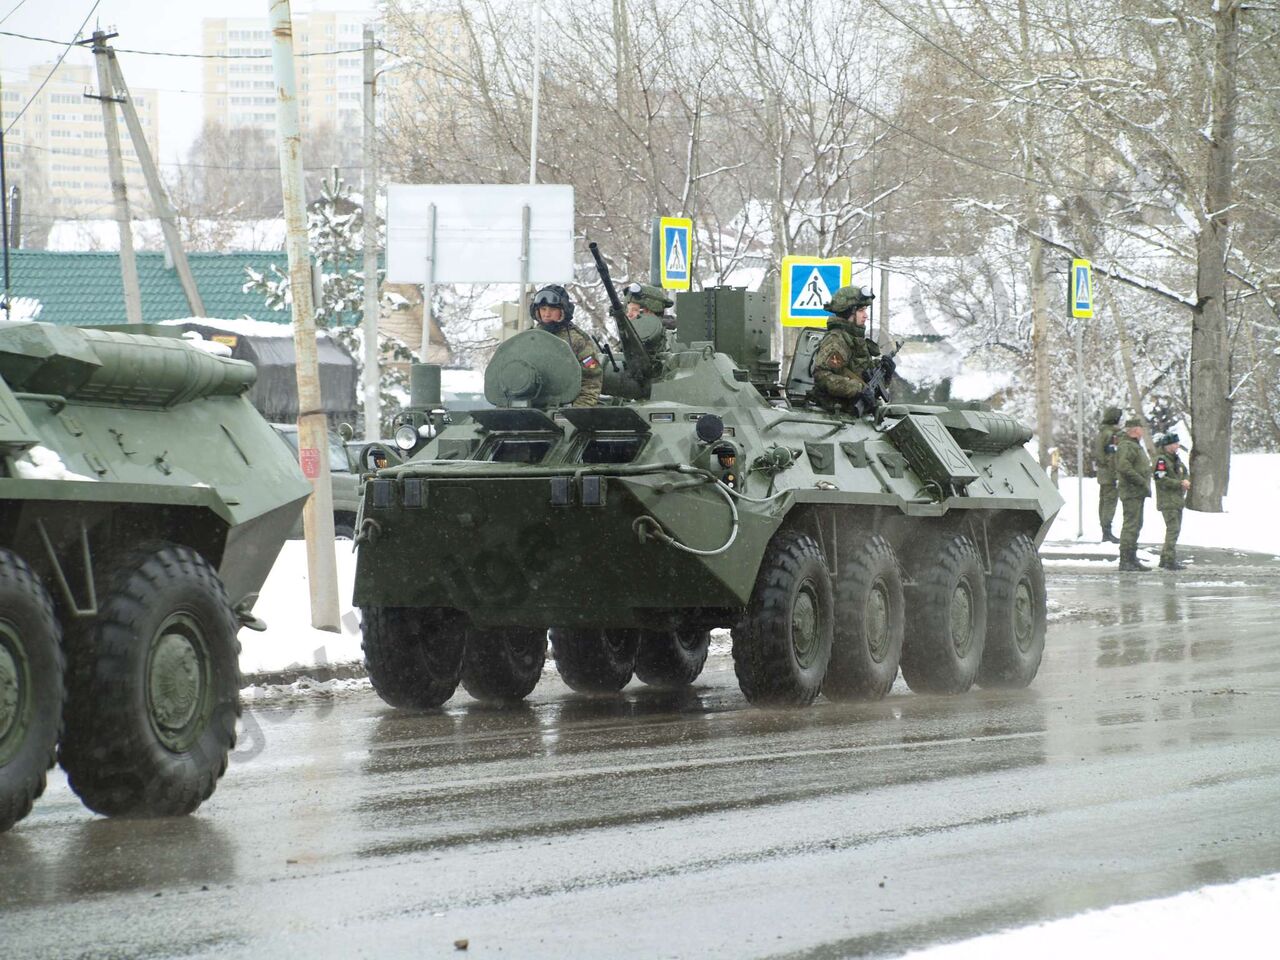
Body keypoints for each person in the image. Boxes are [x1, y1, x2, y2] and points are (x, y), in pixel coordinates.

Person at [811, 285, 893, 414]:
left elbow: (863, 375)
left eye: (865, 310)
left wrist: (885, 371)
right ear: (849, 312)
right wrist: (858, 389)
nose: (866, 316)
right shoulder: (836, 340)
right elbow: (822, 376)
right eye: (861, 310)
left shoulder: (855, 338)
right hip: (839, 413)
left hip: (858, 414)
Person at [529, 284, 602, 407]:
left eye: (552, 310)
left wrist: (578, 411)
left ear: (563, 311)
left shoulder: (578, 341)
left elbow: (591, 378)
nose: (546, 314)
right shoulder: (530, 338)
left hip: (567, 406)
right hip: (532, 406)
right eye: (543, 309)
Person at [1115, 416, 1152, 571]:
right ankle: (1125, 560)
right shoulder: (1127, 445)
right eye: (1141, 428)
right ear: (1135, 430)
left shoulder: (1134, 445)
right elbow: (1123, 466)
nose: (1143, 431)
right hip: (1131, 491)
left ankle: (1132, 558)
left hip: (1137, 492)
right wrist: (1140, 480)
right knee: (1131, 525)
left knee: (1136, 524)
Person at [1152, 431, 1191, 570]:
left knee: (1175, 529)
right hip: (1168, 500)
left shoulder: (1176, 459)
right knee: (1173, 529)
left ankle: (1166, 558)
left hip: (1177, 500)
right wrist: (1178, 483)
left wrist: (1186, 479)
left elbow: (1184, 471)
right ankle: (1168, 559)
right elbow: (1160, 478)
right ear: (1168, 446)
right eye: (1174, 443)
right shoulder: (1162, 460)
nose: (1177, 446)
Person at [1095, 406, 1123, 543]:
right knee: (1110, 503)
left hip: (1103, 473)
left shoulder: (1102, 432)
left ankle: (1105, 530)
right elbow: (1112, 456)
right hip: (1110, 474)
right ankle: (1107, 532)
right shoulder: (1112, 434)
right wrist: (1116, 475)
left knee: (1104, 502)